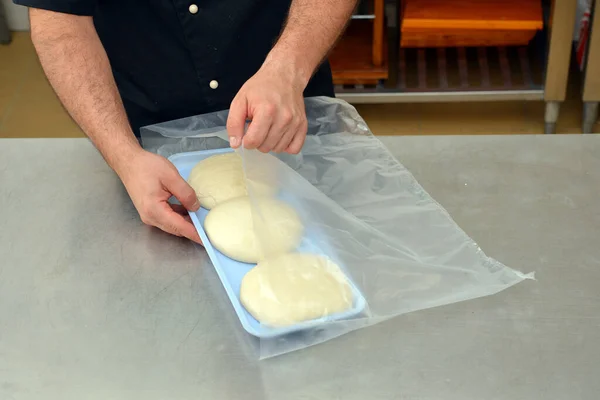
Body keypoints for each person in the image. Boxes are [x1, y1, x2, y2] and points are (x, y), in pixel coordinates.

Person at [15, 0, 357, 244]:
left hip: (287, 114)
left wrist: (287, 68)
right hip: (145, 137)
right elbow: (60, 25)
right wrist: (124, 156)